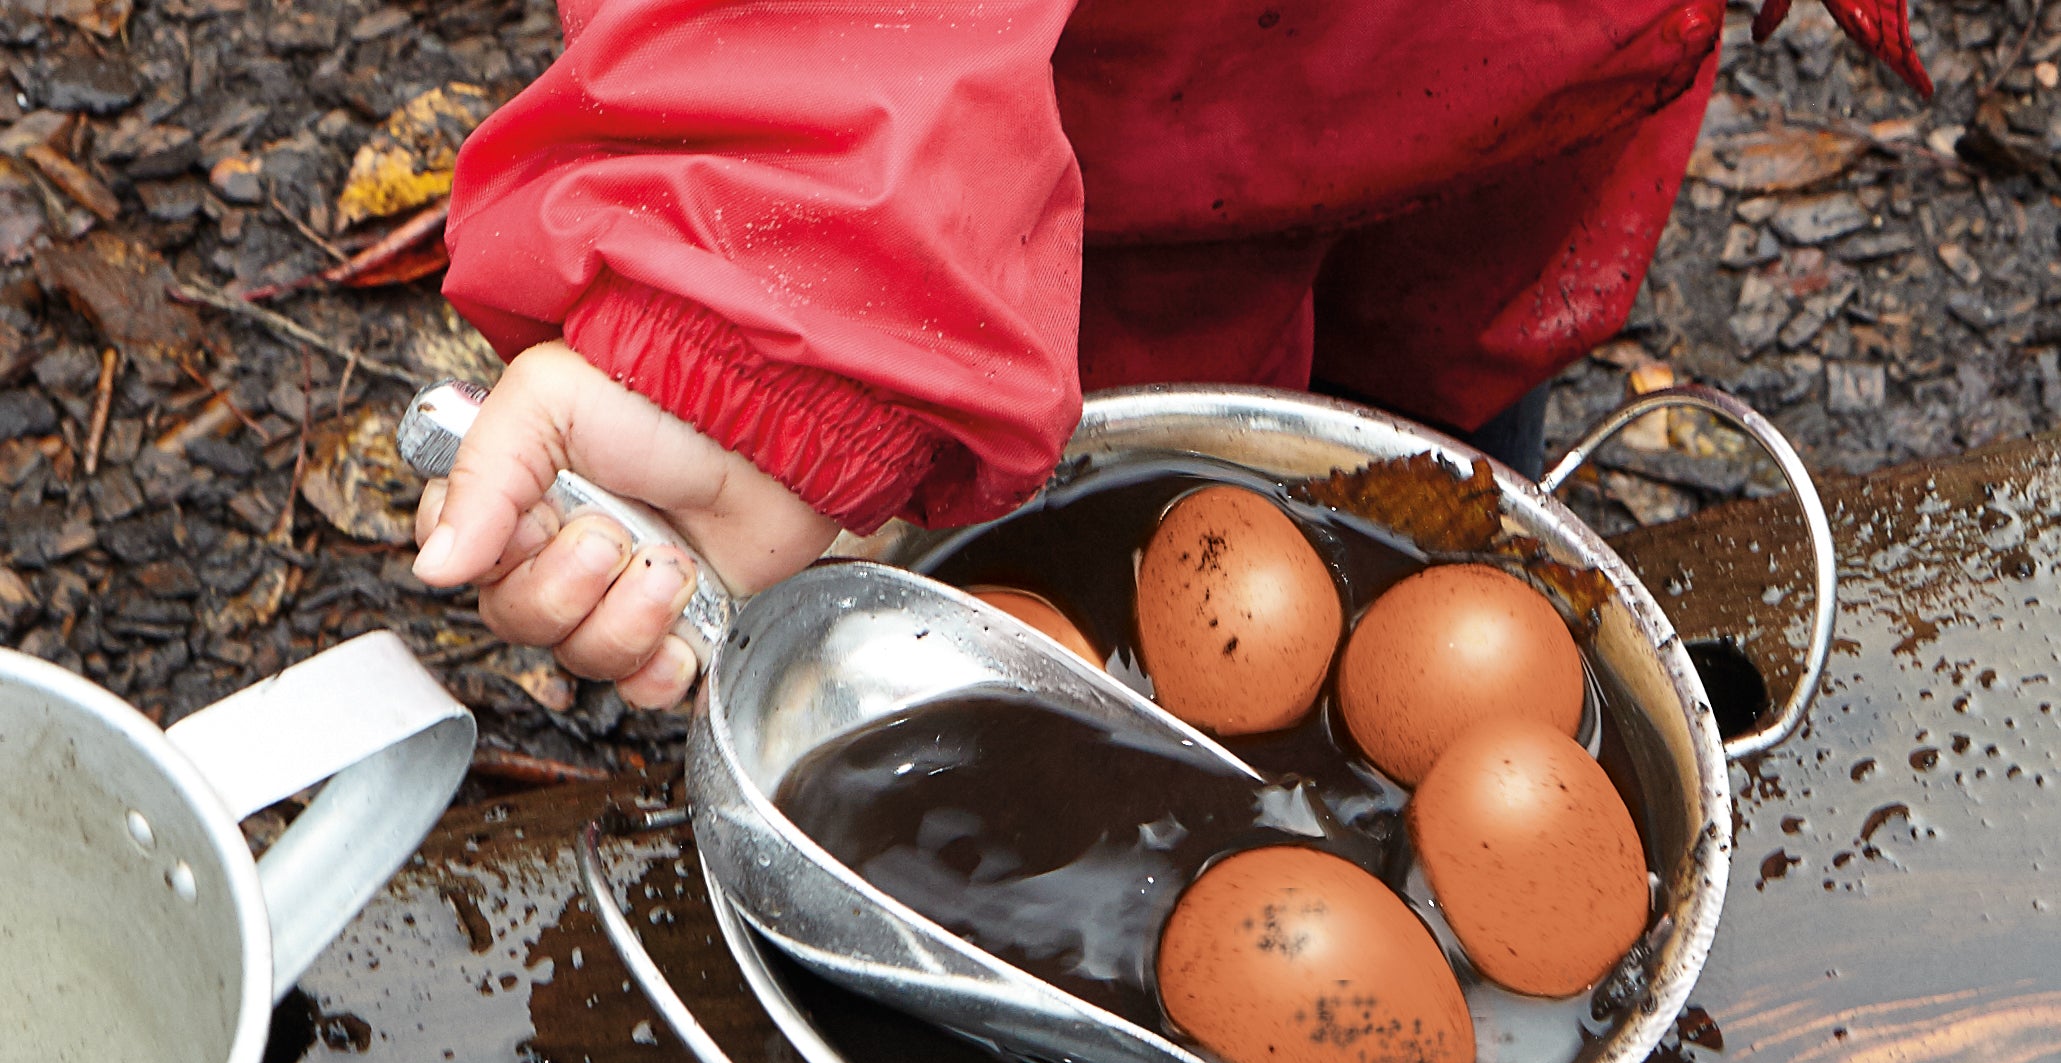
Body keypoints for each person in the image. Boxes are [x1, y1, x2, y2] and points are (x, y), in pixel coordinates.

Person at [412, 0, 1924, 709]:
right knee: (1068, 526)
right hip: (1081, 133)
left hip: (1522, 81)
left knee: (1434, 452)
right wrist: (773, 308)